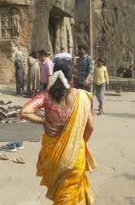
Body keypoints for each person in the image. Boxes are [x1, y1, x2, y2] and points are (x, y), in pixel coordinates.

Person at [20, 60, 96, 204]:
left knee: (61, 194)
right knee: (70, 193)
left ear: (54, 75)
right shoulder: (83, 96)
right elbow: (90, 126)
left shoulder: (46, 97)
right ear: (71, 77)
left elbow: (24, 112)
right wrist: (79, 140)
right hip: (75, 155)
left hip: (52, 156)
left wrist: (42, 121)